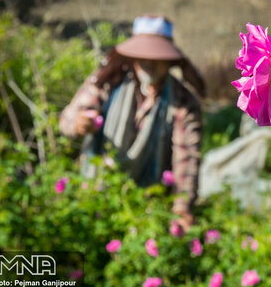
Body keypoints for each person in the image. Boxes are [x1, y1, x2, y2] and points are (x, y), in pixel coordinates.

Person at [59, 15, 205, 231]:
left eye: (157, 57)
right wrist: (79, 123)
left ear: (170, 61)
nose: (149, 63)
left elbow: (186, 158)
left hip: (145, 205)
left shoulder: (182, 102)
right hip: (96, 193)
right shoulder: (109, 81)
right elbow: (68, 117)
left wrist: (182, 207)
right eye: (143, 55)